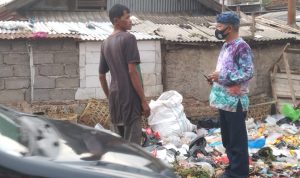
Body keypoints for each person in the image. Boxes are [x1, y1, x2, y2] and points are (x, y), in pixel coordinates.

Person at [208, 11, 254, 178]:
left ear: (229, 28)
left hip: (235, 101)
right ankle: (232, 168)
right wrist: (215, 77)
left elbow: (248, 72)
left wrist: (224, 77)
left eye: (219, 26)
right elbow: (226, 70)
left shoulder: (241, 46)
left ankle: (239, 174)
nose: (217, 29)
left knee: (237, 140)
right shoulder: (226, 45)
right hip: (224, 99)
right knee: (227, 139)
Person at [99, 4, 150, 144]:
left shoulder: (105, 43)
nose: (130, 20)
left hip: (115, 101)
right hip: (130, 99)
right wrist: (143, 101)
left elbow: (101, 75)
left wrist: (109, 97)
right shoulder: (129, 38)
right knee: (133, 148)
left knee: (119, 148)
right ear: (116, 20)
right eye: (127, 18)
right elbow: (132, 71)